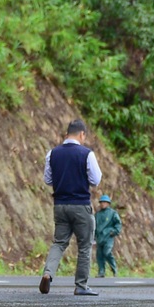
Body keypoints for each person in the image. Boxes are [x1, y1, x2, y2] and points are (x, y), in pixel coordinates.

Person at [40, 120, 102, 296]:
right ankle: (81, 285)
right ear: (82, 134)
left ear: (67, 134)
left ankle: (48, 273)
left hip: (60, 205)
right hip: (81, 205)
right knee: (84, 245)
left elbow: (48, 180)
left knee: (59, 242)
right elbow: (96, 180)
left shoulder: (52, 153)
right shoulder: (86, 154)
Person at [94, 195, 122, 277]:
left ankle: (114, 268)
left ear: (108, 203)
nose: (103, 204)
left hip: (108, 236)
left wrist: (115, 231)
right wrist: (94, 236)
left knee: (107, 252)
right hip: (99, 237)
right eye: (101, 202)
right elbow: (94, 226)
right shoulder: (97, 214)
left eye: (104, 202)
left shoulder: (112, 213)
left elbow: (118, 223)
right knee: (99, 255)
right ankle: (101, 271)